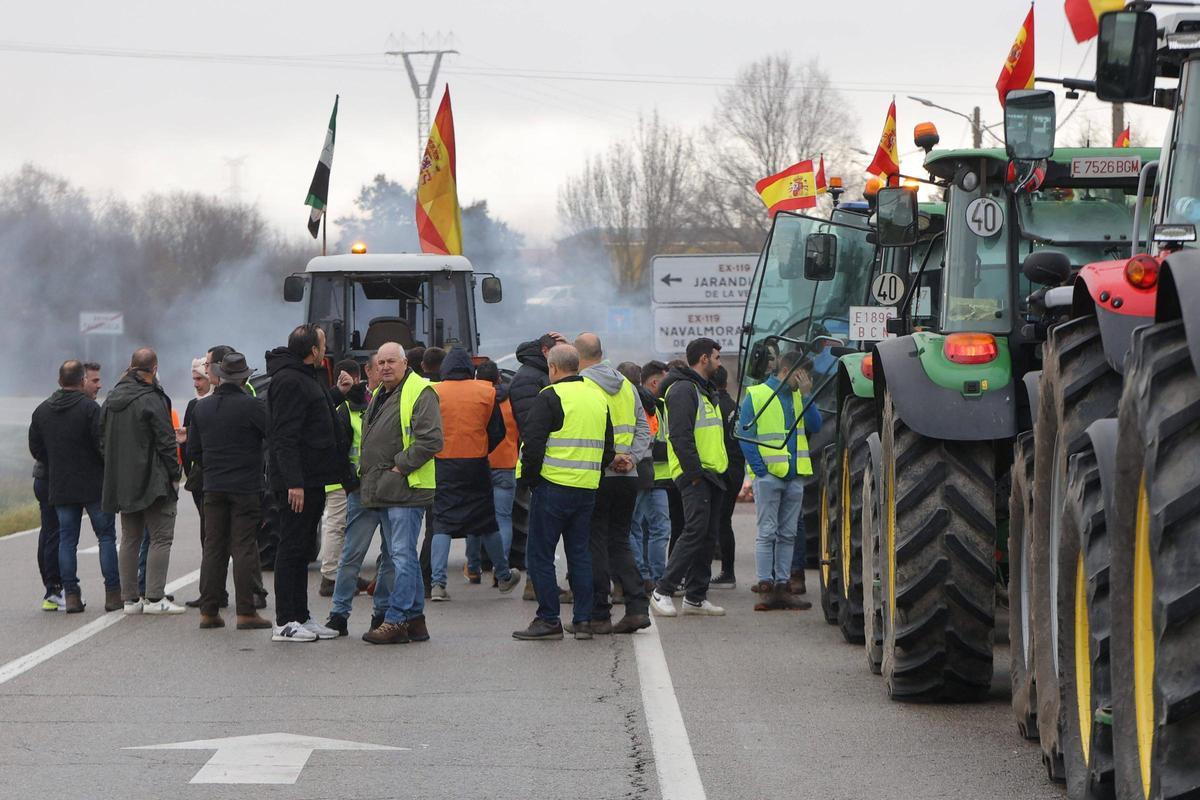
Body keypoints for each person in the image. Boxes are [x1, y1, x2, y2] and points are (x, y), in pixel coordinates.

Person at [335, 341, 442, 645]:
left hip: (407, 488)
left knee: (402, 557)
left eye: (391, 361)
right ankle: (416, 621)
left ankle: (395, 620)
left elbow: (431, 440)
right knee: (401, 556)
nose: (384, 367)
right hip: (389, 489)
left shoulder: (420, 392)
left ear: (405, 363)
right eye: (380, 362)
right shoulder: (383, 393)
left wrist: (399, 467)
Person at [513, 344, 615, 641]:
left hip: (552, 487)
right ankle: (583, 621)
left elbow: (533, 444)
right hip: (586, 488)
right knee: (580, 554)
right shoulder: (598, 397)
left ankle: (549, 619)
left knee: (541, 555)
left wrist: (531, 481)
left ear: (553, 369)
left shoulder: (550, 396)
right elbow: (607, 448)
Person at [265, 325, 348, 642]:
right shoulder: (289, 380)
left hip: (313, 478)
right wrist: (294, 483)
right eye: (323, 344)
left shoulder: (305, 376)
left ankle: (302, 615)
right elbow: (284, 437)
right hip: (296, 483)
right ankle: (285, 621)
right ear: (312, 349)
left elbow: (313, 413)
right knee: (291, 548)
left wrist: (337, 394)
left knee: (302, 552)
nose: (326, 349)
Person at [188, 352, 273, 630]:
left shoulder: (201, 408)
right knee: (244, 547)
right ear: (244, 377)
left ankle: (209, 611)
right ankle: (246, 611)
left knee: (214, 547)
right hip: (246, 486)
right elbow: (270, 438)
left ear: (220, 376)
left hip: (213, 486)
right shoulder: (253, 407)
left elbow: (193, 452)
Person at [428, 347, 520, 599]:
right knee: (486, 522)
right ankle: (503, 575)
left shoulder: (433, 392)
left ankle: (437, 584)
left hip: (443, 465)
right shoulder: (486, 392)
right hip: (476, 464)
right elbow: (497, 431)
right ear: (470, 368)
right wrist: (480, 448)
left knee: (442, 523)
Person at [100, 348, 185, 615]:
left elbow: (101, 438)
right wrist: (175, 473)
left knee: (129, 538)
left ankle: (130, 599)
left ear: (130, 366)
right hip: (153, 479)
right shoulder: (152, 398)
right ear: (155, 369)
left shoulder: (112, 398)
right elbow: (165, 440)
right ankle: (155, 597)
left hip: (122, 479)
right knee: (161, 537)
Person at [577, 333, 652, 634]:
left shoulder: (582, 385)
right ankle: (636, 607)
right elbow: (643, 427)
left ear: (580, 356)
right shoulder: (627, 384)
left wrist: (609, 459)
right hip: (628, 476)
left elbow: (588, 429)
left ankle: (599, 613)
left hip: (597, 475)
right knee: (620, 541)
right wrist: (631, 458)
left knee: (594, 544)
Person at [29, 359, 118, 613]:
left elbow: (36, 449)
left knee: (66, 541)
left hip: (61, 485)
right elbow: (102, 446)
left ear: (59, 381)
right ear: (81, 381)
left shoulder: (42, 411)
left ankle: (71, 595)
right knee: (106, 537)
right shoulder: (90, 409)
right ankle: (113, 593)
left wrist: (57, 462)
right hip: (92, 484)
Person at [649, 339, 729, 618]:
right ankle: (663, 590)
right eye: (717, 357)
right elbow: (680, 436)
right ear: (704, 359)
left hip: (712, 473)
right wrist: (694, 474)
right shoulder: (684, 389)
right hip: (697, 475)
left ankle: (696, 596)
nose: (720, 363)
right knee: (694, 531)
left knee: (707, 536)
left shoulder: (703, 390)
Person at [738, 350, 819, 611]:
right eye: (803, 376)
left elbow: (815, 425)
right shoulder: (758, 394)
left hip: (794, 476)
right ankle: (766, 586)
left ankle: (782, 586)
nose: (805, 380)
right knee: (767, 532)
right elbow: (744, 434)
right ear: (789, 371)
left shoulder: (798, 396)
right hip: (770, 477)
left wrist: (807, 395)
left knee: (787, 533)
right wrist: (760, 470)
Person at [508, 331, 570, 601]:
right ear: (546, 353)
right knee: (541, 530)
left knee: (548, 528)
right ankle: (537, 583)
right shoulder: (530, 379)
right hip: (542, 463)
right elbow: (534, 427)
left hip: (552, 461)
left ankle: (540, 582)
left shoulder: (533, 374)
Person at [318, 358, 369, 597]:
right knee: (337, 525)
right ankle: (330, 576)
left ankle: (339, 572)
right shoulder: (346, 407)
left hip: (343, 476)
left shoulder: (343, 404)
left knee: (340, 526)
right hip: (341, 478)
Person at [468, 360, 518, 582]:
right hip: (506, 464)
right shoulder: (511, 402)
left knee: (474, 518)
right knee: (503, 518)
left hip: (479, 463)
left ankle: (473, 568)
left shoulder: (476, 400)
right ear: (499, 378)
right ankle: (501, 570)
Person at [630, 360, 671, 593]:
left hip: (651, 475)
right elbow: (657, 442)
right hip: (654, 475)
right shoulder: (649, 406)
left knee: (644, 528)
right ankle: (651, 576)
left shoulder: (659, 404)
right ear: (654, 381)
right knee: (654, 528)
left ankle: (648, 576)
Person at [712, 365, 745, 589]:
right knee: (724, 521)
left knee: (719, 522)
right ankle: (727, 571)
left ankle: (727, 573)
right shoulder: (734, 406)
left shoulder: (714, 406)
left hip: (722, 470)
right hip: (736, 469)